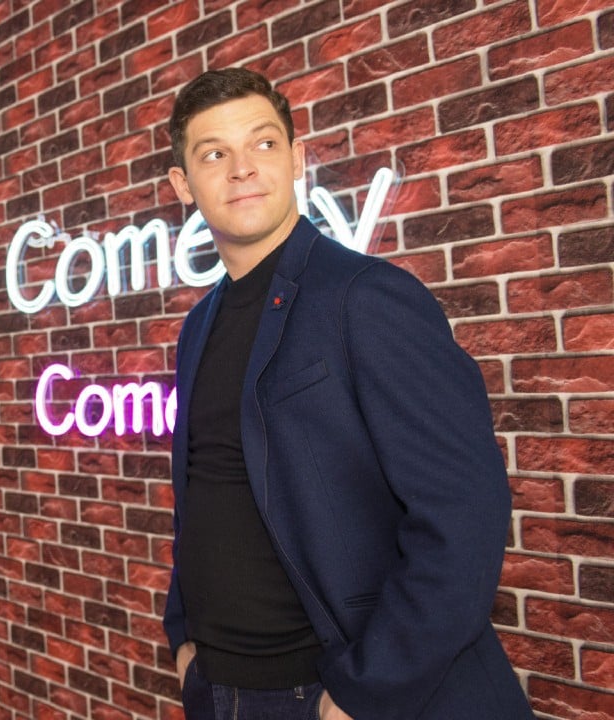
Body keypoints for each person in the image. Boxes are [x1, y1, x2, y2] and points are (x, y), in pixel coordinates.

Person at [160, 68, 532, 720]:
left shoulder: (366, 297)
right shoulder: (198, 325)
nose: (243, 169)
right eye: (214, 154)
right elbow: (203, 492)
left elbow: (463, 514)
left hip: (333, 692)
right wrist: (183, 634)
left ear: (297, 158)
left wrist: (371, 688)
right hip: (220, 688)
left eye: (264, 143)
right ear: (183, 185)